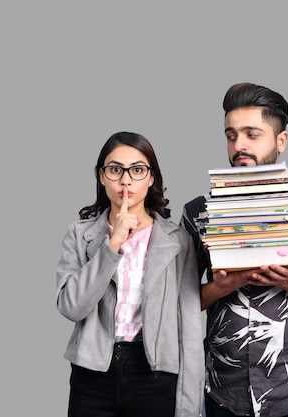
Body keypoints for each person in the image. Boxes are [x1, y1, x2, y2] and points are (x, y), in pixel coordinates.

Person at [180, 83, 288, 417]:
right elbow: (178, 304)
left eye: (252, 134)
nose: (239, 146)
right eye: (231, 135)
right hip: (224, 392)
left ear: (281, 141)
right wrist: (224, 284)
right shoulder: (197, 213)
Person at [56, 131, 204, 417]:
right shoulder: (79, 234)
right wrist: (112, 244)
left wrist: (188, 408)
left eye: (137, 170)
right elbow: (71, 307)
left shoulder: (178, 241)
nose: (125, 180)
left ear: (151, 178)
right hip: (92, 372)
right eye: (115, 170)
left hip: (156, 374)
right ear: (101, 177)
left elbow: (189, 327)